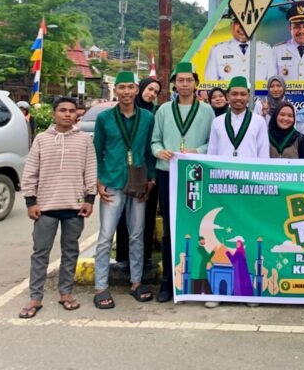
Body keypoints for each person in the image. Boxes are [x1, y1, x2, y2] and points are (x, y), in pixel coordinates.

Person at [19, 97, 97, 319]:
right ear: (54, 113)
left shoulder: (84, 140)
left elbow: (91, 170)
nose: (67, 114)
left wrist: (89, 199)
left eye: (72, 111)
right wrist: (30, 201)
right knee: (40, 253)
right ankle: (35, 297)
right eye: (62, 110)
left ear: (76, 115)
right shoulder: (41, 140)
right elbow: (30, 172)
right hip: (45, 208)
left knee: (70, 252)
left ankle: (66, 293)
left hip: (74, 207)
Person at [92, 72, 157, 309]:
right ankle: (100, 287)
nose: (127, 92)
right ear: (116, 90)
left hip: (138, 182)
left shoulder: (148, 118)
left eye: (131, 87)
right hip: (112, 181)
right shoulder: (104, 118)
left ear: (136, 90)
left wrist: (151, 177)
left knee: (137, 234)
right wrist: (98, 179)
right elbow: (97, 150)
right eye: (122, 87)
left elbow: (149, 150)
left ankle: (136, 282)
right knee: (105, 236)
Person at [151, 62, 214, 303]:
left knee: (197, 228)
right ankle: (168, 282)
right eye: (180, 80)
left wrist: (198, 151)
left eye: (189, 80)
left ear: (196, 83)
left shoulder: (207, 111)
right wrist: (159, 151)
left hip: (195, 174)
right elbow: (154, 141)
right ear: (174, 84)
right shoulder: (164, 110)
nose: (184, 84)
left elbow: (212, 142)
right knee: (170, 228)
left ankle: (198, 281)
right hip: (168, 172)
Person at [115, 76, 162, 276]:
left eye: (155, 92)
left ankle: (145, 257)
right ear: (140, 89)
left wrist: (152, 175)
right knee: (122, 216)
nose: (151, 94)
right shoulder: (126, 111)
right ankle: (123, 256)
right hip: (125, 170)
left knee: (147, 215)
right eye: (149, 89)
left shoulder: (156, 114)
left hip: (147, 170)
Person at [207, 76, 269, 158]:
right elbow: (211, 154)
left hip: (249, 166)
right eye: (234, 94)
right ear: (228, 96)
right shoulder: (217, 122)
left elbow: (263, 155)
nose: (239, 98)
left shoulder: (259, 122)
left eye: (243, 94)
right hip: (223, 166)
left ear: (248, 97)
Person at [204, 15, 272, 81]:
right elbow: (210, 83)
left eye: (247, 22)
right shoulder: (217, 50)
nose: (242, 26)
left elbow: (272, 82)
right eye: (238, 22)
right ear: (231, 25)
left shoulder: (266, 50)